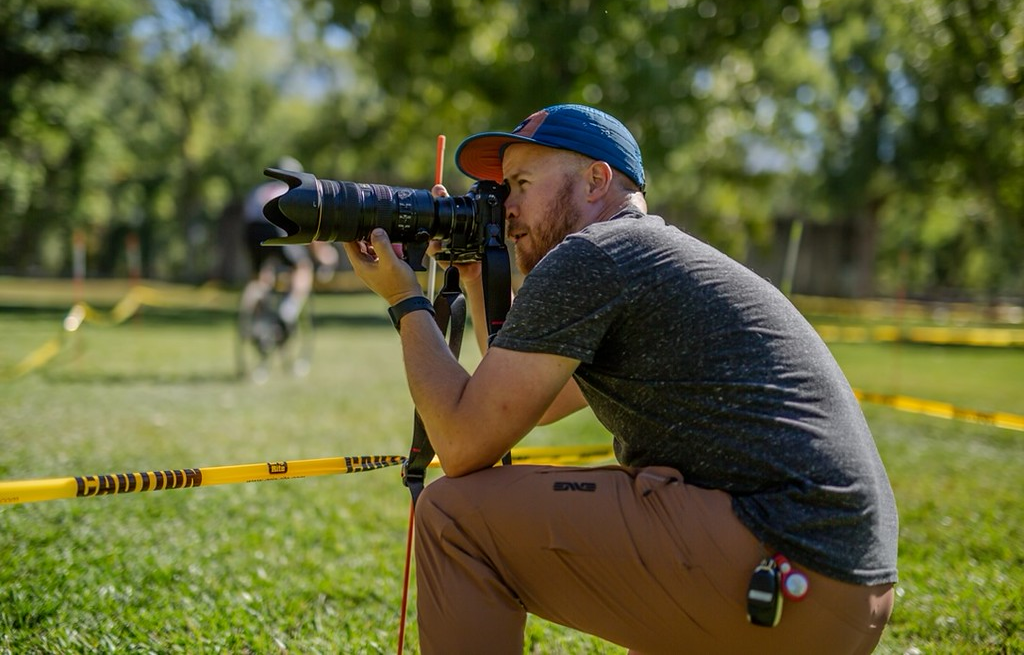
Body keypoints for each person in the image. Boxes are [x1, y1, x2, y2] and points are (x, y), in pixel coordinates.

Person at [341, 104, 898, 654]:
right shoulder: (645, 256)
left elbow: (462, 445)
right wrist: (473, 270)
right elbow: (522, 396)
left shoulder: (594, 255)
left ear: (595, 180)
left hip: (780, 567)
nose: (505, 209)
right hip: (841, 591)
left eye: (520, 184)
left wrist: (404, 299)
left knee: (453, 518)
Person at [242, 156, 337, 344]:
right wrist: (324, 257)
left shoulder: (256, 191)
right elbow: (311, 233)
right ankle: (288, 310)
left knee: (261, 277)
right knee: (302, 267)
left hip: (251, 229)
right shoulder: (297, 192)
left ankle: (258, 319)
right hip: (275, 226)